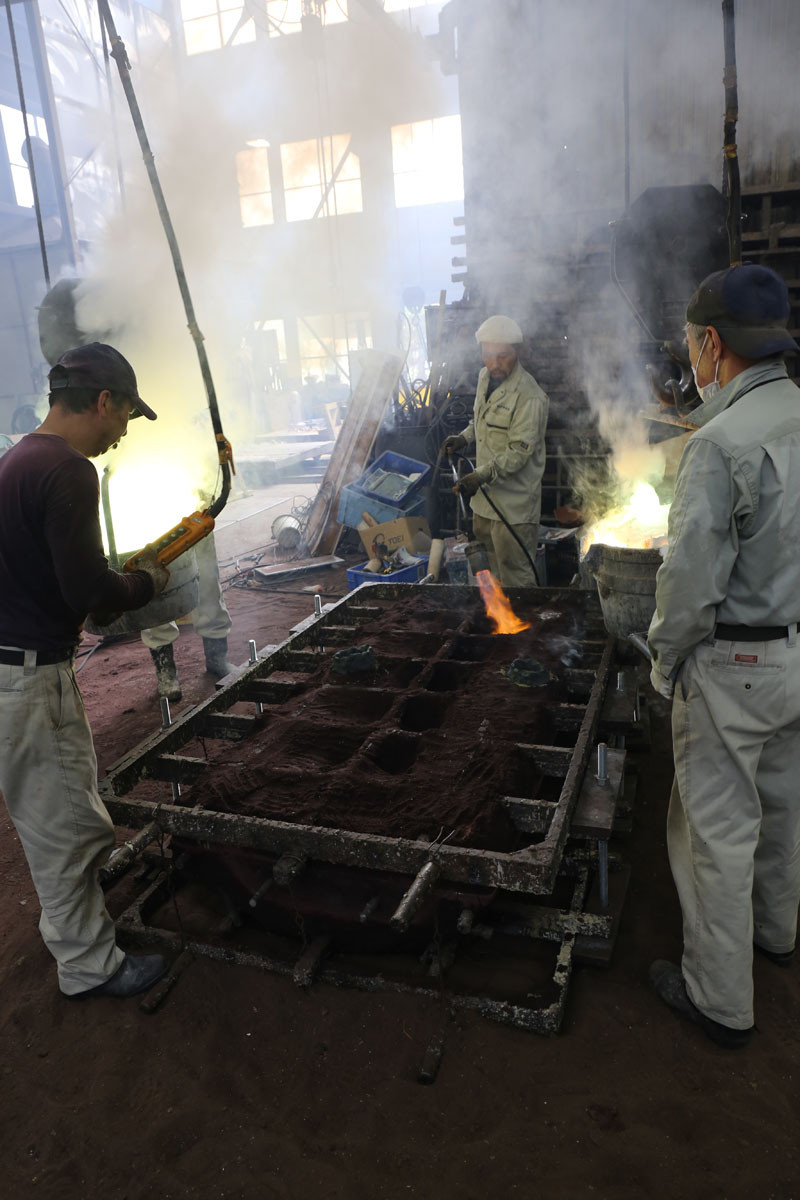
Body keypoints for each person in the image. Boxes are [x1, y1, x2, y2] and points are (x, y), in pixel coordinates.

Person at [647, 264, 800, 1049]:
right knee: (781, 807)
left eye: (691, 346)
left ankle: (718, 998)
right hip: (795, 655)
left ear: (713, 344)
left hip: (733, 668)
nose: (691, 362)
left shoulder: (718, 444)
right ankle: (777, 934)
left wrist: (663, 662)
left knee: (716, 830)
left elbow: (690, 585)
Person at [0, 343, 171, 999]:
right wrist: (140, 584)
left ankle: (84, 921)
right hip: (28, 681)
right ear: (104, 401)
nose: (122, 432)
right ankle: (89, 967)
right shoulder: (69, 471)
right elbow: (86, 594)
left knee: (63, 812)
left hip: (15, 668)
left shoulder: (15, 459)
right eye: (125, 416)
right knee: (63, 825)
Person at [442, 314, 549, 587]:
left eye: (503, 356)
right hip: (484, 504)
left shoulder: (529, 396)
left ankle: (525, 629)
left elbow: (519, 453)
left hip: (512, 509)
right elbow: (481, 419)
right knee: (491, 577)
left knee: (515, 576)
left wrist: (480, 475)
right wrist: (465, 438)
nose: (495, 363)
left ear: (518, 352)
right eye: (488, 355)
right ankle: (500, 627)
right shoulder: (484, 377)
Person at [145, 530, 234, 702]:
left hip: (195, 513)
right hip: (148, 512)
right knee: (154, 580)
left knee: (206, 574)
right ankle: (166, 669)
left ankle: (217, 656)